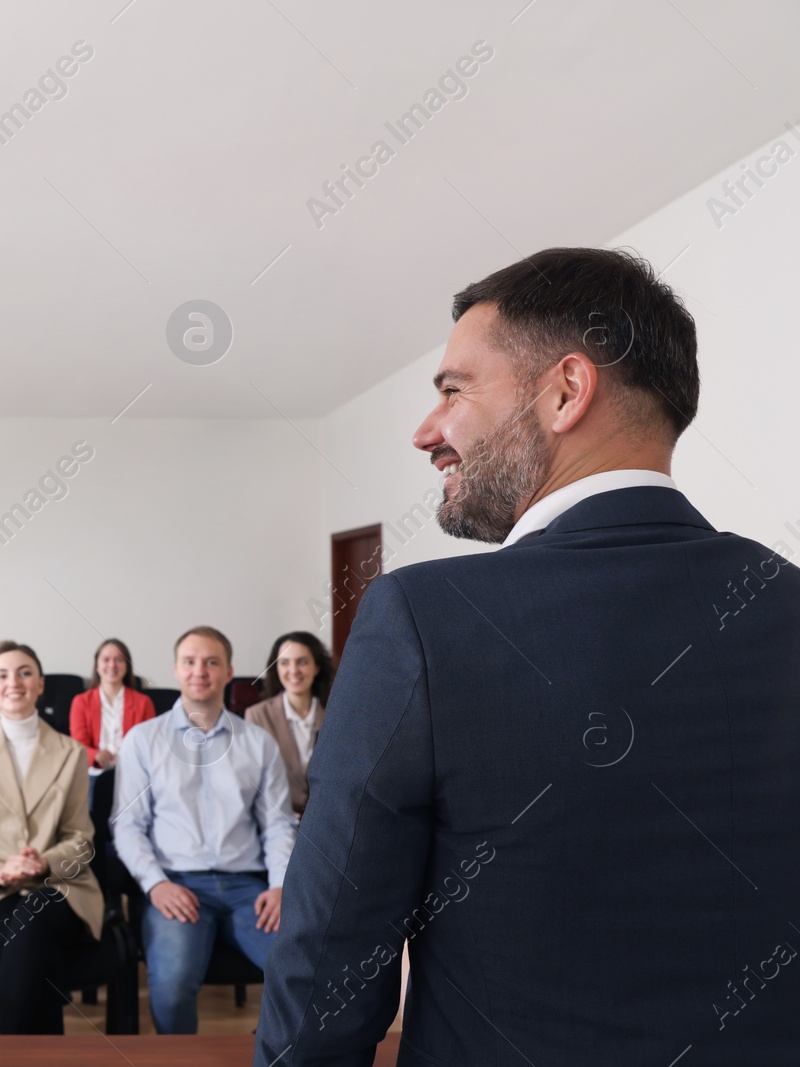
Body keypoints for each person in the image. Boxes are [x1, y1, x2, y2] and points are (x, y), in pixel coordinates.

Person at [256, 248, 800, 1066]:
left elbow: (329, 970)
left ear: (566, 392)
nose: (426, 431)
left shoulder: (423, 620)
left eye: (452, 390)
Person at [113, 626, 297, 1035]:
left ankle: (267, 1054)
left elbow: (278, 825)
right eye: (190, 662)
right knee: (173, 986)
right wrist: (155, 884)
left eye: (212, 662)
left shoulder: (258, 743)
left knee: (303, 972)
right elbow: (128, 826)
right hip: (177, 885)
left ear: (229, 670)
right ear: (176, 670)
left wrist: (282, 884)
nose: (201, 671)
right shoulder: (143, 740)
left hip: (249, 889)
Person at [0, 641, 102, 1034]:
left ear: (41, 683)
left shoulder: (70, 753)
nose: (14, 682)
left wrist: (44, 863)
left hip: (60, 887)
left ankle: (1, 1046)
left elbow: (81, 839)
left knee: (34, 917)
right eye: (2, 674)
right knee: (31, 934)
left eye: (25, 672)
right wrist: (1, 869)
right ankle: (36, 1051)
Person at [243, 631, 335, 818]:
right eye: (284, 663)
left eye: (302, 662)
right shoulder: (257, 716)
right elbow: (252, 780)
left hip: (326, 820)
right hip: (278, 819)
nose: (293, 671)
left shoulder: (335, 716)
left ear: (316, 667)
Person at [69, 637, 157, 772]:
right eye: (106, 660)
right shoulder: (81, 702)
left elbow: (149, 744)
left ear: (127, 666)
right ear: (97, 666)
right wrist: (96, 756)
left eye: (119, 660)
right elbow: (78, 744)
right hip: (93, 773)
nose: (112, 665)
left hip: (132, 772)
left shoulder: (144, 703)